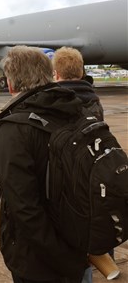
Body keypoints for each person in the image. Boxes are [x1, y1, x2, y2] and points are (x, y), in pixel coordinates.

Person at [0, 46, 89, 283]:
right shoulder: (75, 110)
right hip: (77, 238)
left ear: (11, 83)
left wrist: (60, 257)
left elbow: (23, 206)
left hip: (38, 257)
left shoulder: (14, 127)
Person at [52, 46, 110, 283]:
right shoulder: (94, 100)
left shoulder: (55, 101)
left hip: (68, 186)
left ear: (56, 73)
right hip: (95, 180)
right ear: (81, 70)